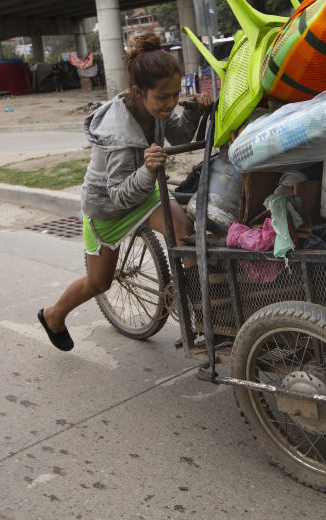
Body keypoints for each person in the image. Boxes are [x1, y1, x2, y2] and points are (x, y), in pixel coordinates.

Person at [37, 33, 213, 351]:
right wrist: (147, 170)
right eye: (163, 97)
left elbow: (178, 133)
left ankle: (202, 315)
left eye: (176, 95)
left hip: (144, 191)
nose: (170, 103)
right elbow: (119, 195)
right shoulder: (119, 134)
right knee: (99, 282)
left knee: (185, 231)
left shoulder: (154, 109)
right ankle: (54, 314)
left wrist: (193, 111)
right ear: (137, 92)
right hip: (107, 207)